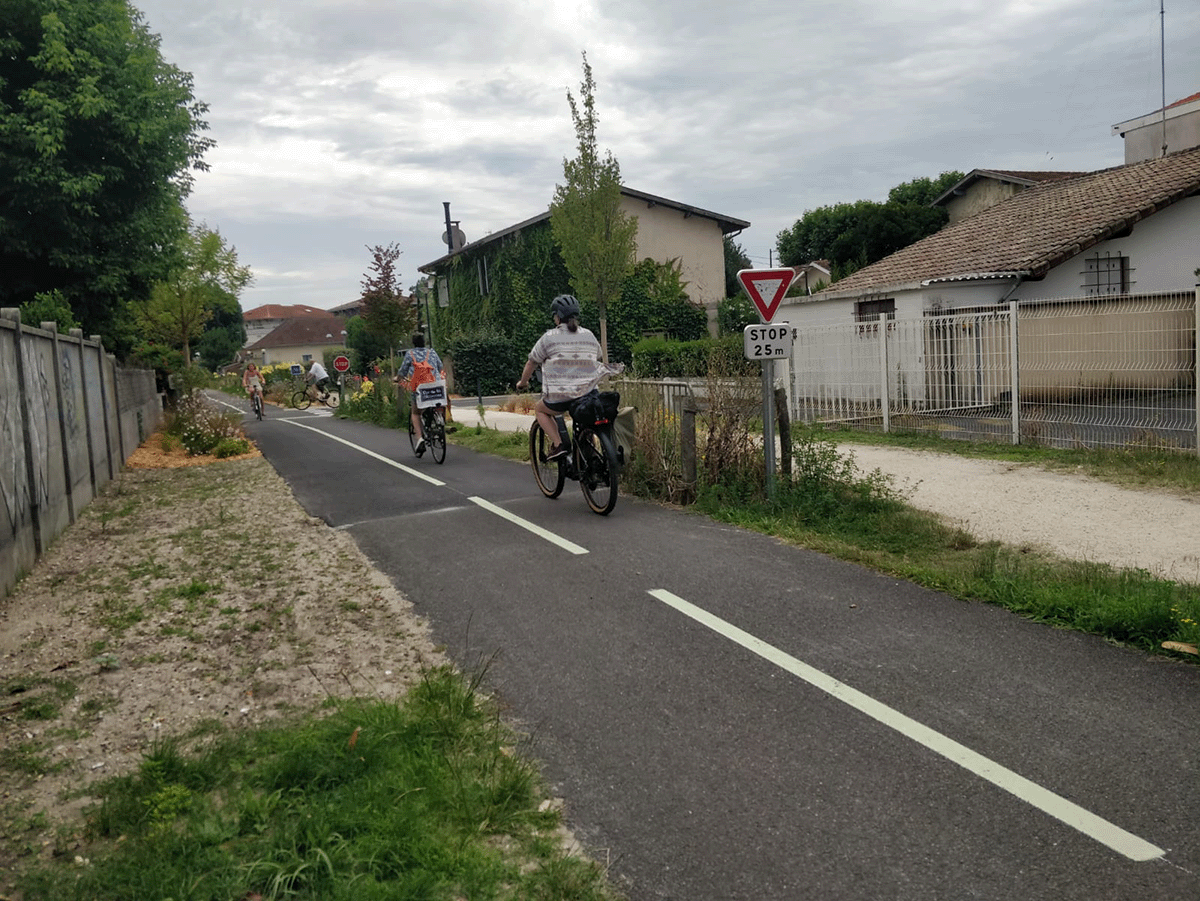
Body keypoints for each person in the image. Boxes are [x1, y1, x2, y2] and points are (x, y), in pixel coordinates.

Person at [516, 294, 623, 461]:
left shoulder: (548, 337)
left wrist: (523, 383)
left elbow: (531, 363)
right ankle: (591, 451)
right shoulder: (588, 334)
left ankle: (559, 444)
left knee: (540, 409)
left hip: (561, 397)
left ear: (557, 317)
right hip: (589, 394)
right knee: (586, 418)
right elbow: (599, 356)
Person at [394, 332, 445, 457]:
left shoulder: (410, 354)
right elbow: (440, 366)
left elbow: (403, 371)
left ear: (413, 343)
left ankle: (420, 438)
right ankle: (439, 423)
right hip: (436, 386)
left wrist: (398, 378)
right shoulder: (432, 352)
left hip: (420, 388)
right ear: (424, 342)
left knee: (415, 412)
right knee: (438, 403)